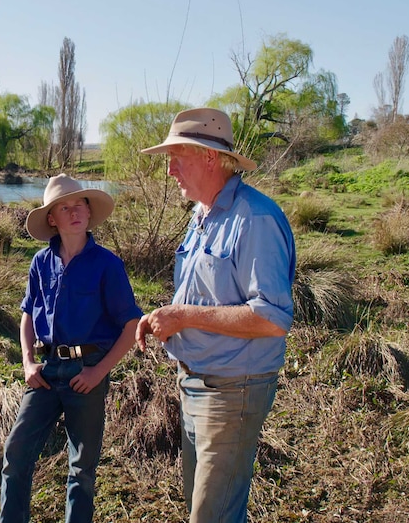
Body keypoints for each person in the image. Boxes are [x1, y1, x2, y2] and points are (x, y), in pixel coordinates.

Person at [136, 107, 296, 523]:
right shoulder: (202, 216)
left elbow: (271, 318)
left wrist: (184, 316)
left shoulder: (255, 218)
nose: (169, 170)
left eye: (177, 158)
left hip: (231, 391)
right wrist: (163, 317)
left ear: (209, 157)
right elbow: (205, 292)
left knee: (212, 515)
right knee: (203, 505)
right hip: (193, 383)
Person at [0, 174, 143, 523]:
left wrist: (99, 371)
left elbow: (131, 326)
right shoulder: (40, 263)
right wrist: (28, 361)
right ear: (52, 219)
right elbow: (27, 316)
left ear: (89, 212)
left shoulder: (108, 265)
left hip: (88, 372)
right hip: (47, 373)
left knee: (82, 467)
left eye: (80, 205)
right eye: (64, 207)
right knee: (16, 453)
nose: (74, 212)